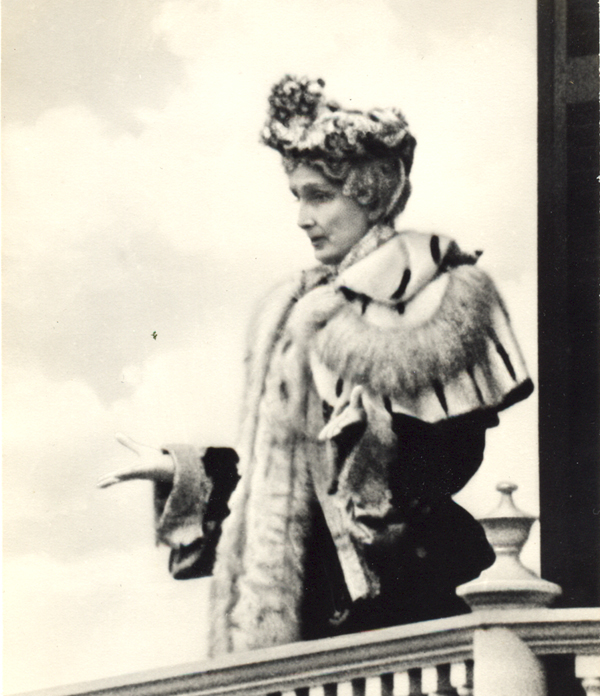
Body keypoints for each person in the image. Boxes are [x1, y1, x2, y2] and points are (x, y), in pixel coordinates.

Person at [99, 75, 533, 657]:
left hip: (413, 596)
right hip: (313, 607)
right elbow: (284, 484)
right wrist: (180, 470)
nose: (303, 217)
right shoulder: (297, 310)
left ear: (370, 193)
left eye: (320, 196)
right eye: (297, 197)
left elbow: (443, 459)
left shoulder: (439, 298)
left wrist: (375, 453)